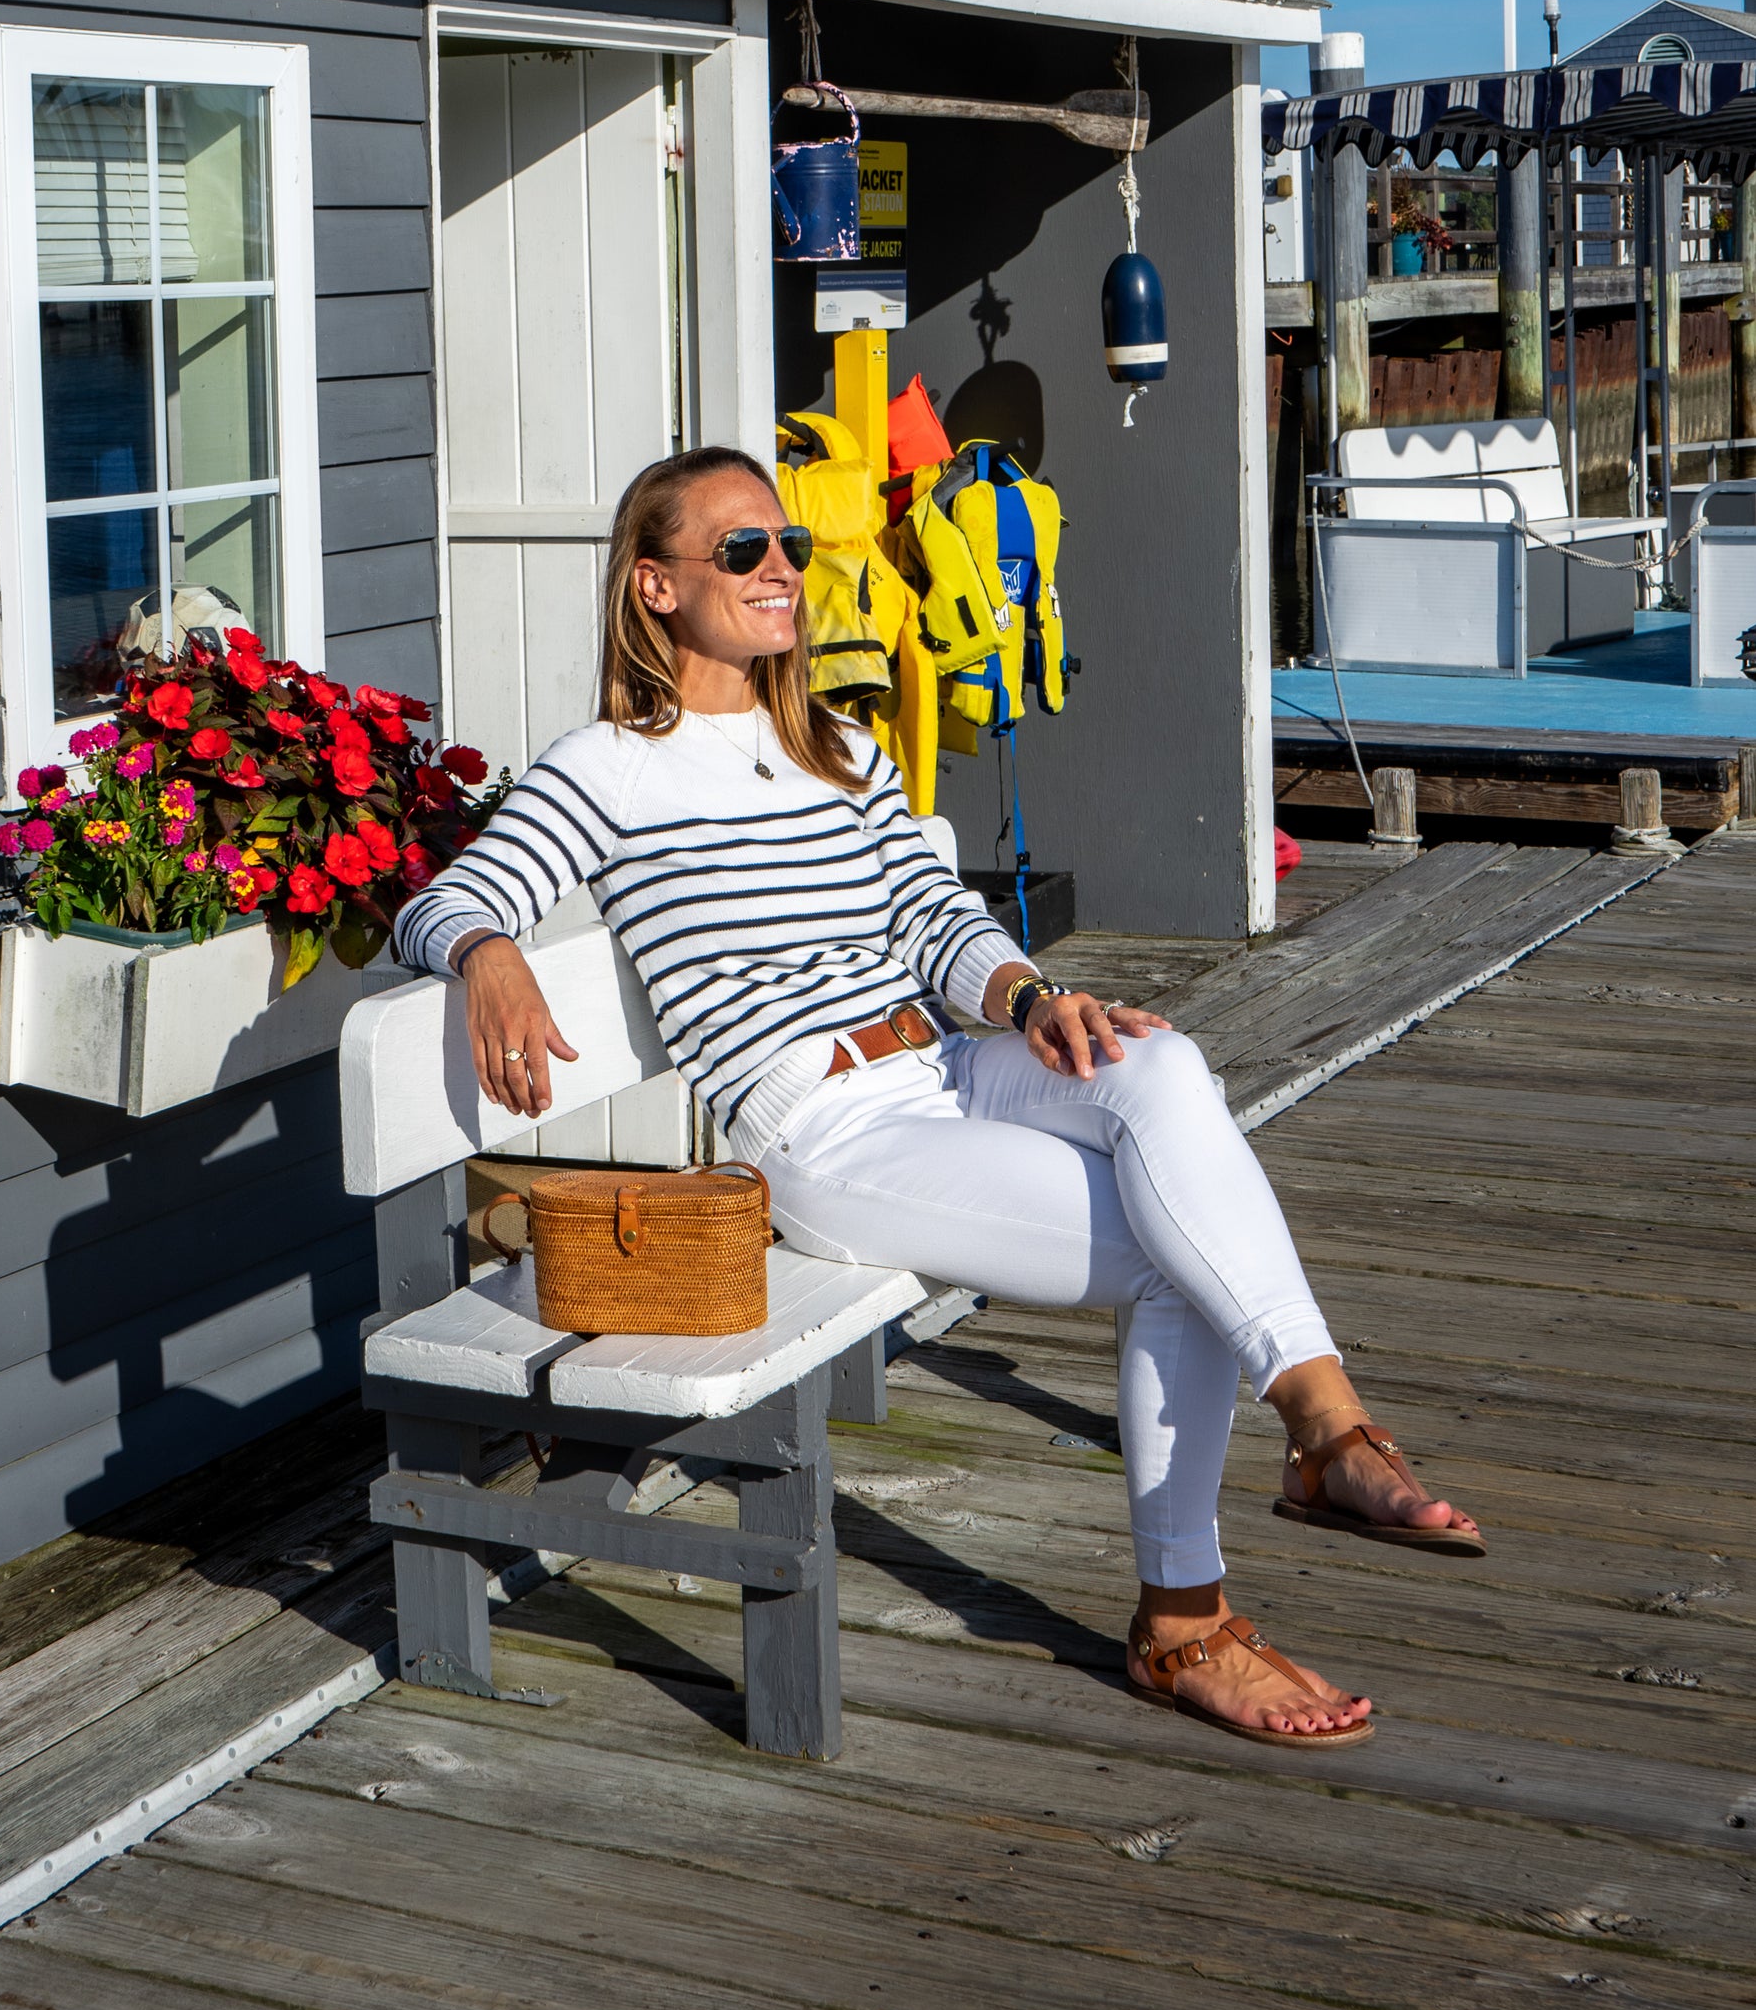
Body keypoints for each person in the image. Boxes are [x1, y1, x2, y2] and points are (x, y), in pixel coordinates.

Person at [394, 445, 1483, 1747]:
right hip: (825, 1128)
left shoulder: (840, 746)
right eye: (743, 550)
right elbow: (445, 899)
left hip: (947, 1062)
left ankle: (1319, 1419)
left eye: (788, 546)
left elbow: (930, 915)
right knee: (1170, 1257)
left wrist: (1033, 1002)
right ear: (654, 587)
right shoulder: (607, 770)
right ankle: (1193, 1612)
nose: (782, 570)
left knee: (1161, 1062)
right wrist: (489, 952)